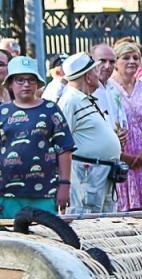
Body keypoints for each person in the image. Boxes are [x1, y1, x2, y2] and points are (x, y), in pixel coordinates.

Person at [0, 57, 73, 216]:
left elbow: (64, 149)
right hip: (7, 194)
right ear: (10, 83)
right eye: (20, 80)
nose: (26, 84)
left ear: (37, 84)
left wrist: (64, 184)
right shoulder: (2, 111)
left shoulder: (50, 109)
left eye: (31, 80)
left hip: (45, 192)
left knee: (45, 236)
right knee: (10, 239)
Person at [57, 53, 121, 215]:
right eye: (94, 70)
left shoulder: (85, 99)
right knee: (87, 217)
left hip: (102, 171)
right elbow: (61, 142)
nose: (98, 74)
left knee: (105, 220)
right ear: (87, 77)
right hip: (87, 173)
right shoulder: (70, 101)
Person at [108, 41, 142, 211]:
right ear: (116, 62)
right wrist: (123, 156)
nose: (132, 61)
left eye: (136, 57)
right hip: (120, 155)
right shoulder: (108, 89)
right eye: (126, 58)